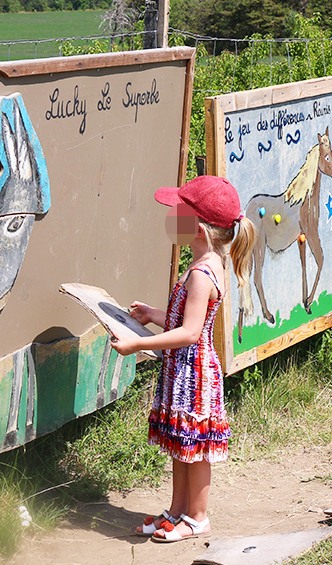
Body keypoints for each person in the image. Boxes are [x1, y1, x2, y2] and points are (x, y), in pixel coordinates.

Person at [111, 175, 256, 542]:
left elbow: (191, 333)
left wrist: (137, 345)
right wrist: (151, 314)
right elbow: (184, 320)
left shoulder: (201, 274)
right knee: (181, 444)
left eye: (179, 213)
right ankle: (176, 511)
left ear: (200, 231)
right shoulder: (207, 264)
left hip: (194, 374)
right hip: (182, 371)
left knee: (197, 449)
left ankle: (197, 517)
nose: (172, 217)